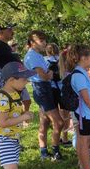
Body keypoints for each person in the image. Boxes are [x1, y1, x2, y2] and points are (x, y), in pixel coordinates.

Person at [24, 31, 64, 161]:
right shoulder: (32, 56)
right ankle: (56, 152)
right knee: (58, 122)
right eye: (41, 41)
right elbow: (44, 75)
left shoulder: (37, 55)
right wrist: (51, 73)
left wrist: (49, 73)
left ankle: (44, 152)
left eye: (44, 40)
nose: (44, 43)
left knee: (45, 122)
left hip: (44, 88)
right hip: (42, 89)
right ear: (31, 42)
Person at [0, 24, 32, 112]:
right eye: (9, 30)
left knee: (25, 101)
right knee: (9, 104)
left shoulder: (3, 45)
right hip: (8, 81)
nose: (13, 32)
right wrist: (0, 74)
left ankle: (22, 120)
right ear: (1, 32)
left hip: (15, 79)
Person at [45, 43, 71, 146]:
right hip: (63, 89)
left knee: (54, 115)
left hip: (51, 89)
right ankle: (65, 138)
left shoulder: (45, 60)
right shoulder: (63, 59)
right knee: (66, 114)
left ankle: (56, 136)